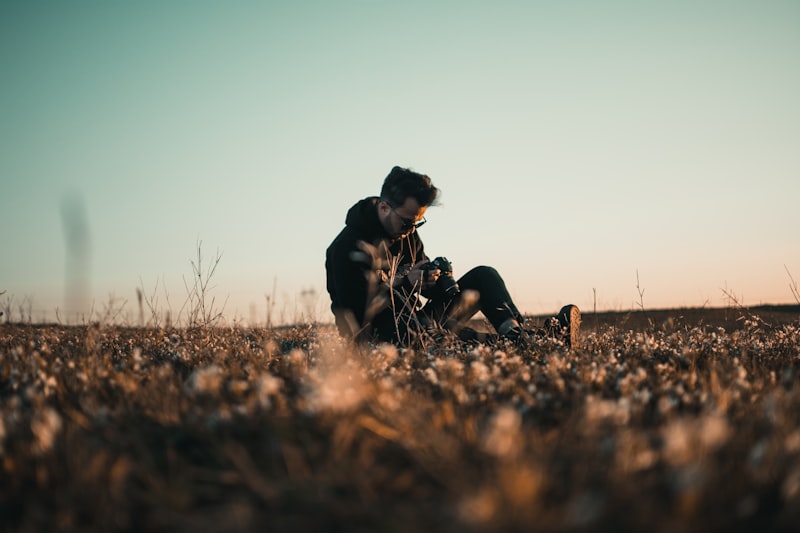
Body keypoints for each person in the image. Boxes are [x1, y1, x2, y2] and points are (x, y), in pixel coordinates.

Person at [325, 166, 580, 346]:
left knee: (483, 276)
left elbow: (427, 292)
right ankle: (527, 344)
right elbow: (358, 315)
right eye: (406, 222)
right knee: (434, 335)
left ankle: (515, 334)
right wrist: (404, 281)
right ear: (383, 207)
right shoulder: (346, 248)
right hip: (380, 336)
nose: (411, 230)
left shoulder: (407, 232)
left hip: (416, 321)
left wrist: (436, 281)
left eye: (418, 222)